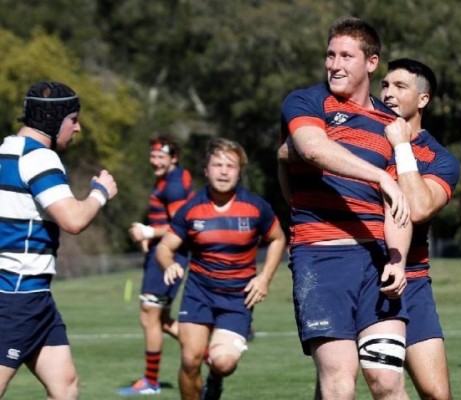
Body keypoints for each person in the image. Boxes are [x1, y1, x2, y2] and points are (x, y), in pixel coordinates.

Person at [278, 16, 413, 400]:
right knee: (339, 382)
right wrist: (380, 177)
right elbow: (312, 148)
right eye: (330, 54)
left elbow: (399, 205)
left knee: (387, 381)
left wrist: (398, 259)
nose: (334, 64)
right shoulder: (305, 101)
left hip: (375, 263)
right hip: (321, 259)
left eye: (346, 56)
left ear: (371, 63)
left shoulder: (392, 125)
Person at [0, 81, 118, 399]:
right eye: (74, 119)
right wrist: (100, 193)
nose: (77, 128)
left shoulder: (6, 150)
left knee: (64, 388)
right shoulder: (40, 159)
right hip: (18, 295)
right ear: (54, 120)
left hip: (35, 296)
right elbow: (74, 220)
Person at [157, 138, 286, 400]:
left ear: (239, 171)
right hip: (198, 293)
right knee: (191, 361)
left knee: (224, 363)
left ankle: (215, 379)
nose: (224, 171)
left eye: (231, 165)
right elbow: (164, 247)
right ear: (206, 170)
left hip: (237, 298)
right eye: (218, 164)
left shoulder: (256, 207)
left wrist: (264, 279)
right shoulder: (190, 209)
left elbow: (278, 239)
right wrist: (169, 264)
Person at [379, 58, 461, 399]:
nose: (388, 93)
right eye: (384, 85)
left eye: (400, 86)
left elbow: (420, 207)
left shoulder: (440, 159)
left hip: (411, 280)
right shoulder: (362, 142)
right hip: (356, 273)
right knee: (336, 383)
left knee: (437, 394)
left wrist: (401, 147)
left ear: (423, 99)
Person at [118, 135, 194, 396]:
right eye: (153, 156)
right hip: (160, 255)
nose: (155, 161)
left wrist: (149, 232)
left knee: (149, 316)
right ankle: (206, 351)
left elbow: (180, 225)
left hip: (168, 258)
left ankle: (151, 382)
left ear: (174, 158)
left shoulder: (173, 185)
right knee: (157, 319)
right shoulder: (171, 177)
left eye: (161, 157)